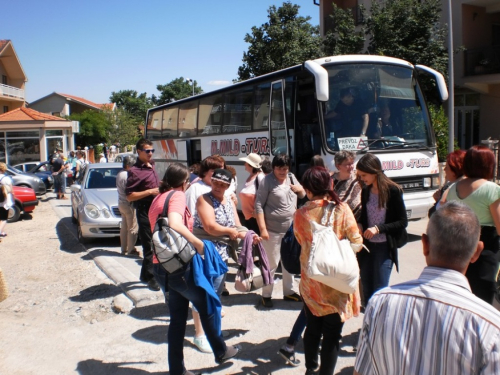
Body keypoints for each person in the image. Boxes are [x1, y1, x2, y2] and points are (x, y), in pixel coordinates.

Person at [354, 202, 500, 375]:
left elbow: (361, 371)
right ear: (477, 252)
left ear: (425, 244)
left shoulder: (380, 303)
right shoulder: (490, 325)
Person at [148, 163, 241, 375]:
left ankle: (177, 369)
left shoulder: (157, 198)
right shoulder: (177, 195)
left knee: (178, 319)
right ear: (184, 182)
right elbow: (174, 223)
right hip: (179, 264)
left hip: (160, 265)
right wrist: (198, 244)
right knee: (207, 302)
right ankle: (221, 350)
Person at [294, 166, 363, 375]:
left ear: (307, 189)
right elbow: (357, 242)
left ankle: (310, 368)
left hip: (311, 282)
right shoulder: (342, 210)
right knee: (332, 335)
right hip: (338, 284)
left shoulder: (301, 214)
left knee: (313, 328)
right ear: (329, 185)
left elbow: (301, 241)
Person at [441, 145, 500, 304]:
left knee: (463, 295)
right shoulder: (492, 190)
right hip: (485, 247)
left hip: (459, 245)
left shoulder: (454, 188)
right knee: (483, 297)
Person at [356, 153, 407, 306]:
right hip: (367, 246)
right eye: (359, 175)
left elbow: (402, 221)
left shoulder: (393, 191)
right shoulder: (366, 191)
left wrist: (379, 228)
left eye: (364, 175)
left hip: (384, 247)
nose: (362, 178)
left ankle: (379, 327)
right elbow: (364, 216)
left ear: (374, 171)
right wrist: (360, 224)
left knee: (380, 290)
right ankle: (369, 327)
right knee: (366, 287)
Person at [255, 154, 306, 307]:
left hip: (291, 229)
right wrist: (263, 229)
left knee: (288, 262)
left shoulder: (291, 177)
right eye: (279, 168)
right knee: (271, 264)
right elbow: (258, 205)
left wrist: (300, 190)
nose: (282, 172)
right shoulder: (267, 181)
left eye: (285, 168)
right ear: (273, 168)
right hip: (272, 230)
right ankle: (266, 294)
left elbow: (303, 195)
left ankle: (289, 292)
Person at [126, 138, 161, 292]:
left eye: (152, 150)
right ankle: (152, 278)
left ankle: (145, 275)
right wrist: (149, 192)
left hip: (156, 208)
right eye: (147, 151)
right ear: (139, 152)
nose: (150, 154)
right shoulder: (134, 171)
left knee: (157, 242)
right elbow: (130, 196)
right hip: (144, 209)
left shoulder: (151, 165)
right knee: (150, 244)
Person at [428, 149, 466, 217]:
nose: (444, 169)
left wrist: (438, 202)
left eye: (447, 167)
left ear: (455, 170)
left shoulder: (453, 188)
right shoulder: (452, 185)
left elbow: (435, 214)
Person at [116, 154, 139, 256]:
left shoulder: (120, 174)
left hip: (121, 202)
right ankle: (131, 250)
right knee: (132, 228)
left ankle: (123, 249)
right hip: (128, 204)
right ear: (129, 165)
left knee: (124, 227)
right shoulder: (127, 176)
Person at [238, 153, 265, 234]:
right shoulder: (250, 176)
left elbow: (265, 197)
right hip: (248, 218)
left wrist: (258, 211)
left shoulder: (260, 177)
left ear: (250, 165)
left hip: (256, 219)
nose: (244, 164)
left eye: (246, 163)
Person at [332, 150, 362, 221]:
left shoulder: (359, 177)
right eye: (347, 164)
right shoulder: (331, 181)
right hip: (339, 219)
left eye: (352, 163)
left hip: (358, 218)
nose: (351, 166)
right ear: (338, 166)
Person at [0, 163, 14, 238]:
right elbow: (11, 190)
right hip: (5, 200)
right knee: (4, 218)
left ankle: (2, 232)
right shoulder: (6, 178)